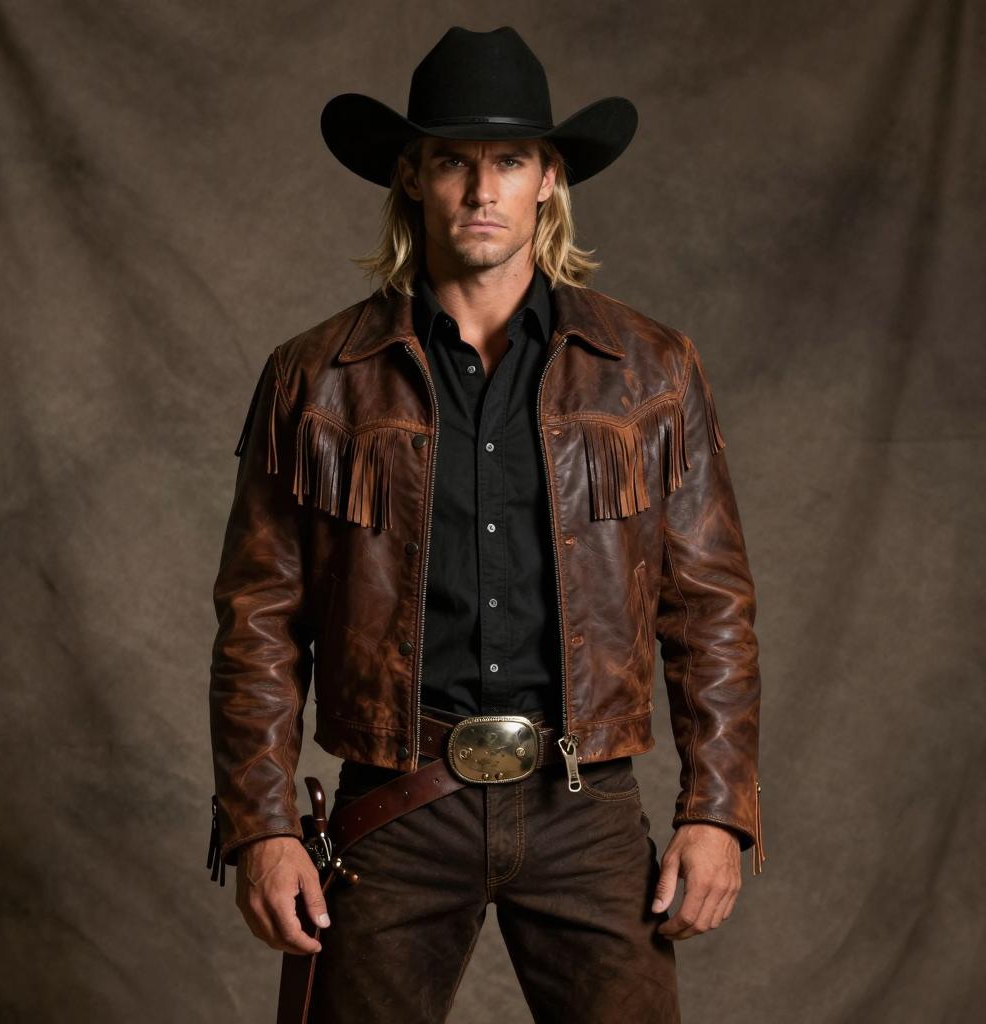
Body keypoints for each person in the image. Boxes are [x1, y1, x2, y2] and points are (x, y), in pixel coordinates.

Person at [207, 24, 765, 1024]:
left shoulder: (651, 370)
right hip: (396, 806)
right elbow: (259, 619)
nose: (480, 190)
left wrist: (718, 808)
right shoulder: (316, 378)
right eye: (452, 163)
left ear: (549, 178)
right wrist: (262, 825)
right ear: (411, 177)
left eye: (508, 161)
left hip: (584, 806)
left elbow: (710, 609)